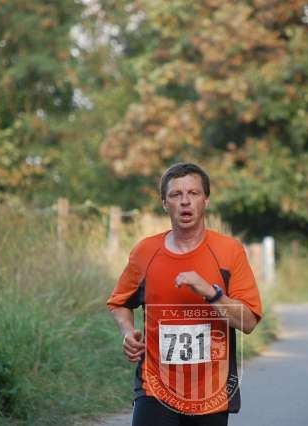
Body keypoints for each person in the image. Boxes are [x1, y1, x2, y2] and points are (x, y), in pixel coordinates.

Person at [107, 163, 262, 426]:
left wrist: (211, 293)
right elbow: (119, 302)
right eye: (176, 194)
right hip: (154, 387)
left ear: (206, 200)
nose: (185, 201)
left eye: (193, 193)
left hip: (210, 392)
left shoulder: (229, 251)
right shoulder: (145, 252)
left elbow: (248, 322)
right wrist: (127, 332)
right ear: (164, 203)